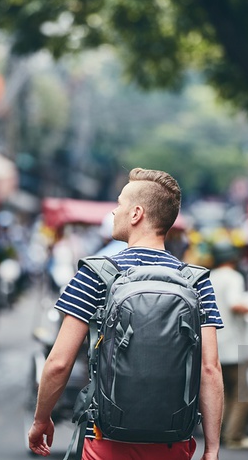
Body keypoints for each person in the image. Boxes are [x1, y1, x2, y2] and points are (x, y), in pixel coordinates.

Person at [28, 168, 224, 460]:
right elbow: (210, 369)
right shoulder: (196, 281)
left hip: (106, 442)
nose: (113, 212)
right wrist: (212, 447)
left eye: (119, 204)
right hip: (173, 445)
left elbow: (58, 363)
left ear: (136, 214)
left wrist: (41, 419)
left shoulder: (96, 273)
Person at [209, 241, 248, 450]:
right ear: (232, 258)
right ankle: (234, 436)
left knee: (220, 393)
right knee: (243, 395)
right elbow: (235, 303)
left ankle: (219, 433)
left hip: (213, 345)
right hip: (232, 346)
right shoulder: (233, 277)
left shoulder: (210, 277)